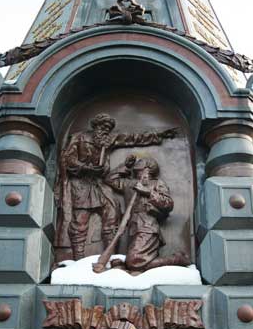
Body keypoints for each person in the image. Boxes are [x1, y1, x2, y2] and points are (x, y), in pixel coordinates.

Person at [55, 114, 177, 262]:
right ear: (95, 127)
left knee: (112, 211)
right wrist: (86, 167)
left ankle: (110, 255)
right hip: (80, 183)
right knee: (80, 221)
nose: (105, 131)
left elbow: (132, 138)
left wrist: (157, 135)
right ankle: (79, 259)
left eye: (108, 129)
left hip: (98, 183)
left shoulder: (108, 140)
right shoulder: (79, 138)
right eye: (103, 127)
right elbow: (68, 160)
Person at [105, 155, 190, 273]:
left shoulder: (157, 183)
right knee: (135, 260)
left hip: (148, 226)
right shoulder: (130, 184)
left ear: (148, 167)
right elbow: (110, 179)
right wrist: (126, 166)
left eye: (141, 161)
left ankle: (175, 259)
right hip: (133, 228)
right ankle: (129, 265)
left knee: (135, 260)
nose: (137, 162)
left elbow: (168, 204)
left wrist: (148, 192)